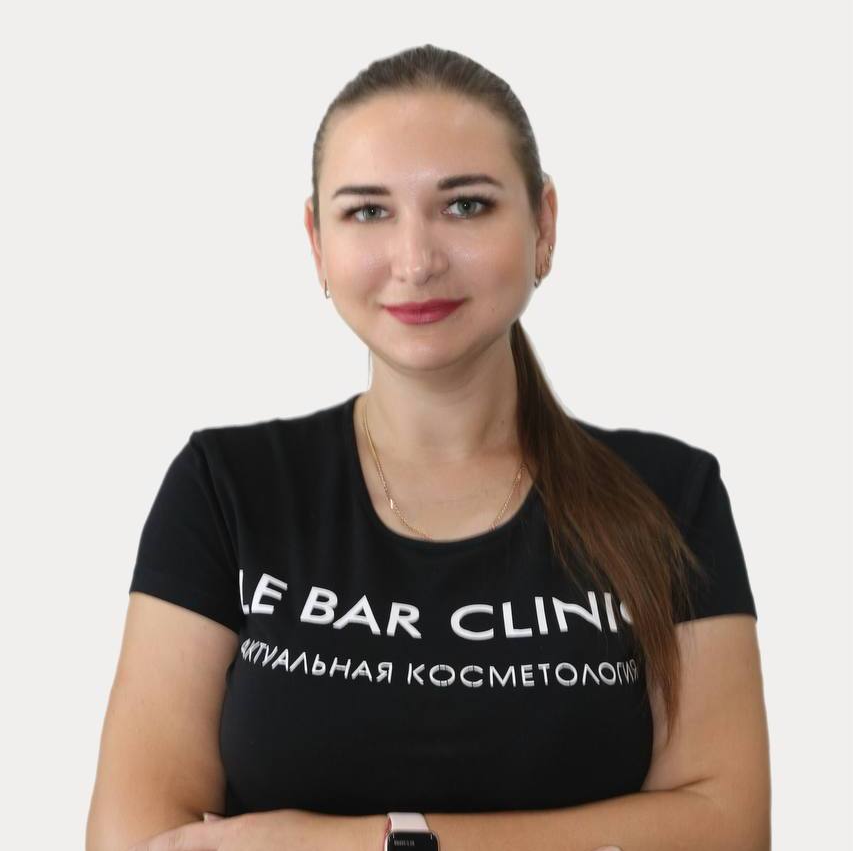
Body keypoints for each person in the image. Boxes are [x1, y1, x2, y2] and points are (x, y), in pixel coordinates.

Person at [87, 44, 770, 851]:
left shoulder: (670, 495)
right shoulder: (225, 489)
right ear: (316, 241)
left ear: (543, 225)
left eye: (466, 205)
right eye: (367, 212)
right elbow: (135, 841)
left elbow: (724, 829)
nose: (415, 261)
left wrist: (358, 842)